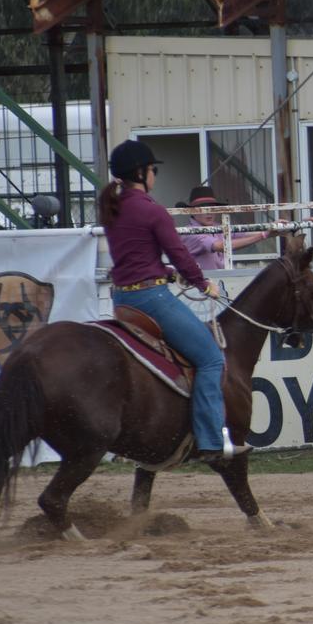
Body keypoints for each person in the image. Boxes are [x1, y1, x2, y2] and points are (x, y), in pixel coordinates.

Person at [95, 140, 248, 462]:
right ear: (140, 172)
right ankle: (210, 442)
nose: (154, 175)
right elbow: (180, 253)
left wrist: (163, 270)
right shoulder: (152, 210)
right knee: (210, 358)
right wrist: (203, 284)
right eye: (152, 170)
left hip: (123, 299)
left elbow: (135, 256)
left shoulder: (113, 208)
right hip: (152, 299)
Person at [178, 185, 277, 270]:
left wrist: (273, 229)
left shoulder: (216, 226)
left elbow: (243, 234)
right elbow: (220, 246)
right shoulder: (190, 232)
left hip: (219, 283)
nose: (209, 212)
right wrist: (263, 235)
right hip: (200, 287)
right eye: (203, 208)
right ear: (192, 211)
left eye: (212, 208)